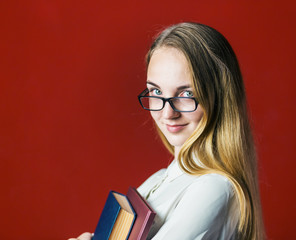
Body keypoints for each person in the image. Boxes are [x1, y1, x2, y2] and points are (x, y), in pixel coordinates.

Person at [68, 22, 264, 240]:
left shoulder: (213, 188)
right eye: (156, 91)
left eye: (186, 94)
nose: (167, 113)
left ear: (219, 98)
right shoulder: (160, 178)